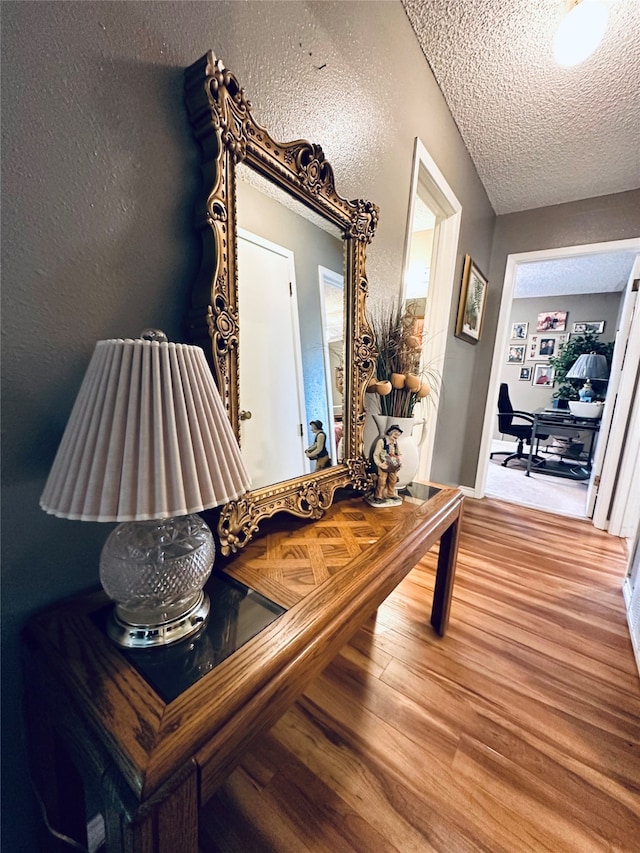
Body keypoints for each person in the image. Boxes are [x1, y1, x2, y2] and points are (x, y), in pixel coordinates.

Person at [372, 424, 403, 501]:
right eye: (395, 434)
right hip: (384, 464)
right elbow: (376, 455)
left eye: (398, 435)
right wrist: (380, 464)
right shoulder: (382, 441)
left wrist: (399, 461)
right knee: (382, 480)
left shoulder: (395, 443)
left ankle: (390, 493)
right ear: (390, 433)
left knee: (393, 480)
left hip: (392, 464)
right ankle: (378, 495)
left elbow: (399, 454)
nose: (396, 437)